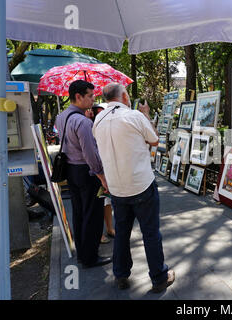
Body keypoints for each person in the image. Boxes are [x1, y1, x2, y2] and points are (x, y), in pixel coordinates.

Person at [92, 83, 175, 292]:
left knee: (121, 232)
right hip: (141, 185)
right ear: (124, 96)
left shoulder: (98, 120)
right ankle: (159, 277)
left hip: (116, 187)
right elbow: (155, 140)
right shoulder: (134, 116)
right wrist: (145, 115)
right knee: (150, 233)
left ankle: (121, 274)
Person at [55, 80, 112, 268]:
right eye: (90, 95)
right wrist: (102, 176)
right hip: (86, 173)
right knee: (93, 215)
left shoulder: (62, 117)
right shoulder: (82, 122)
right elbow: (90, 154)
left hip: (71, 171)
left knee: (79, 213)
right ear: (78, 96)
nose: (93, 99)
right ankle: (90, 257)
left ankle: (82, 252)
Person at [88, 103, 116, 244]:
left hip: (106, 168)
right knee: (98, 203)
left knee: (107, 201)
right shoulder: (88, 126)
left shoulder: (105, 127)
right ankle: (98, 233)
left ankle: (110, 228)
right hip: (96, 171)